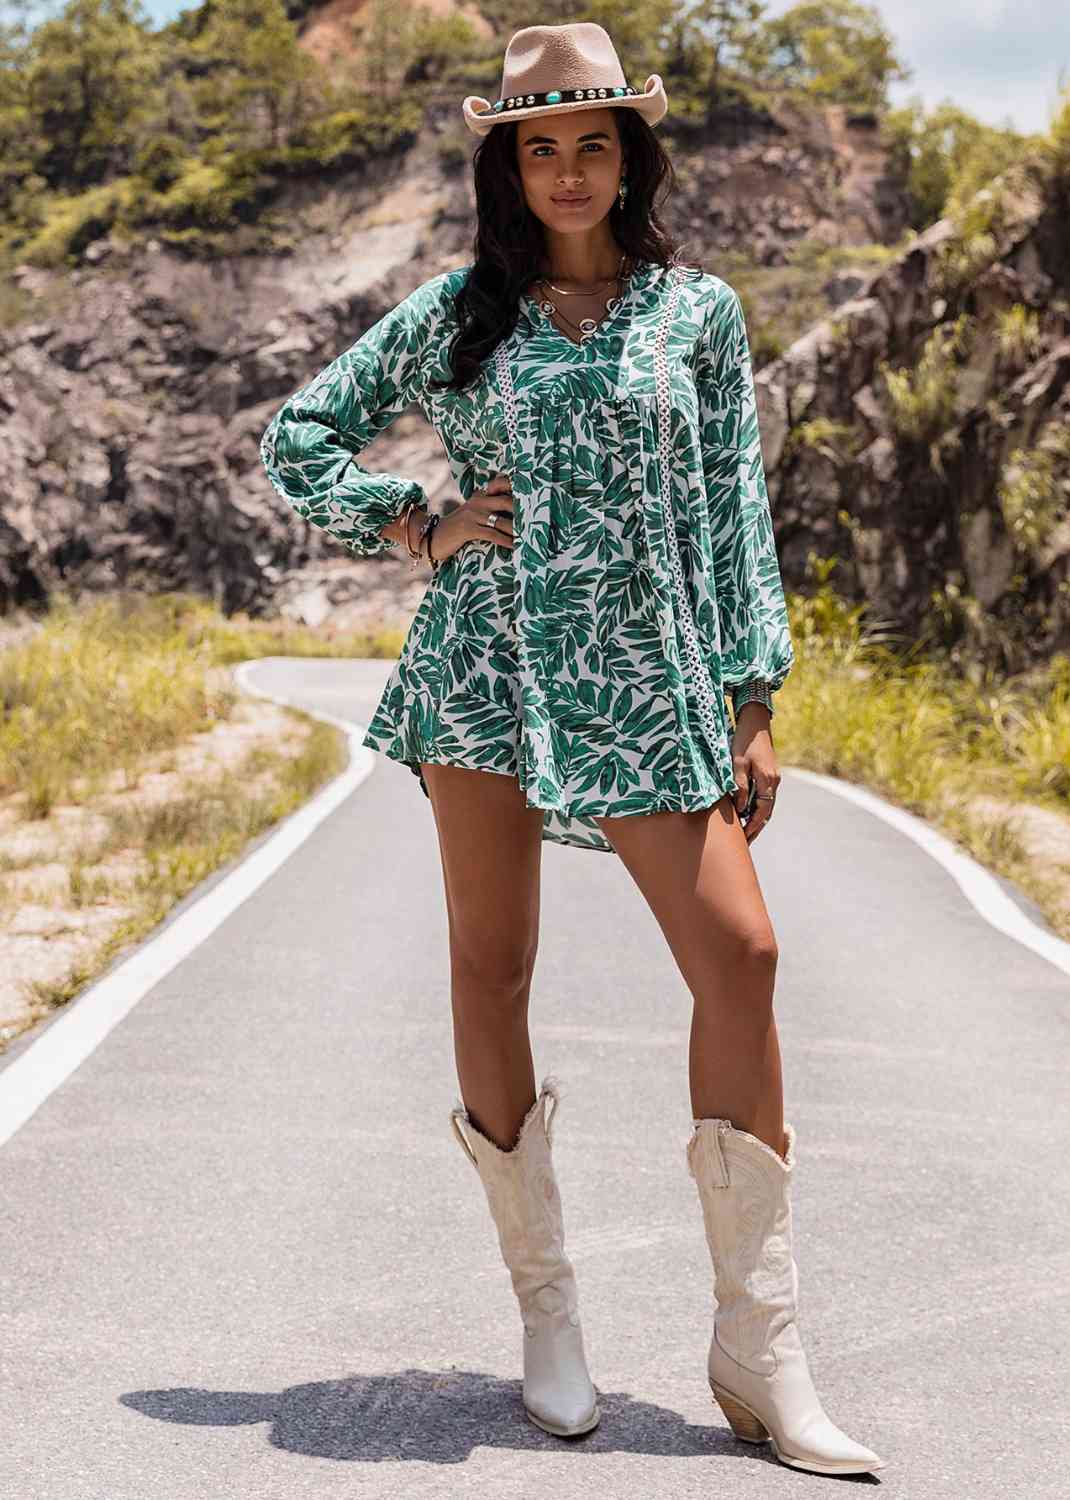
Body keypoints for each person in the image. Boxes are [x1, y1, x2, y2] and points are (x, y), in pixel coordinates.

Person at [259, 20, 884, 1477]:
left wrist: (752, 693)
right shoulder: (460, 313)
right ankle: (547, 1316)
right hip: (488, 669)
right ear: (508, 165)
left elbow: (731, 504)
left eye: (591, 143)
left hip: (651, 677)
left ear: (630, 156)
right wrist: (417, 524)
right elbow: (301, 437)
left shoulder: (696, 313)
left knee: (742, 955)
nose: (566, 170)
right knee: (493, 966)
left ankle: (760, 1345)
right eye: (539, 147)